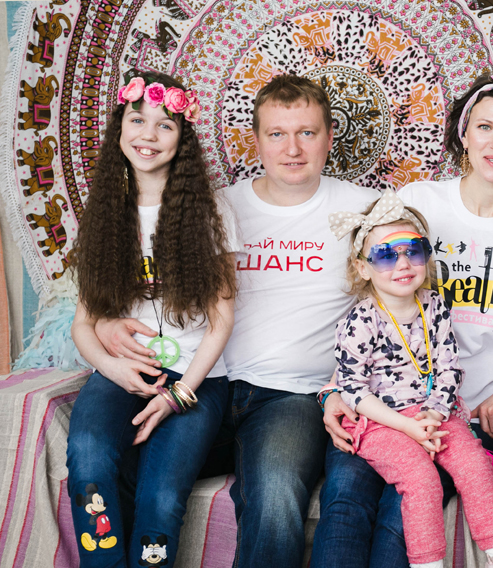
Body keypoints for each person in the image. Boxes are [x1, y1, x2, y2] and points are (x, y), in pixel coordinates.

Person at [92, 74, 378, 567]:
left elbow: (393, 303)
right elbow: (143, 285)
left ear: (330, 137)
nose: (292, 148)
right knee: (120, 461)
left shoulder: (362, 210)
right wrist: (102, 325)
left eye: (307, 133)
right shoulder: (215, 206)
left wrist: (344, 383)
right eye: (277, 134)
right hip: (206, 382)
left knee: (274, 492)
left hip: (291, 396)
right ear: (256, 140)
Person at [314, 69, 493, 567]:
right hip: (379, 407)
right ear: (463, 134)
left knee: (400, 518)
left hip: (468, 413)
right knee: (344, 504)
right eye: (485, 127)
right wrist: (333, 391)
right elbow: (365, 301)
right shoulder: (419, 201)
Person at [66, 71, 238, 567]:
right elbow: (83, 323)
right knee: (89, 456)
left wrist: (178, 395)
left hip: (196, 377)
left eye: (165, 125)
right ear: (119, 129)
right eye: (137, 120)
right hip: (124, 369)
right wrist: (112, 368)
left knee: (161, 494)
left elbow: (222, 322)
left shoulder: (212, 213)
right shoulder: (104, 212)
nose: (149, 135)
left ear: (182, 139)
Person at [326, 190, 493, 568]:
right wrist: (408, 427)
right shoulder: (360, 321)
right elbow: (353, 390)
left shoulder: (434, 305)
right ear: (362, 267)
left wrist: (433, 414)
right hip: (381, 422)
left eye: (413, 251)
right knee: (420, 478)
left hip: (434, 411)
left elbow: (448, 368)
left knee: (475, 466)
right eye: (385, 255)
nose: (402, 263)